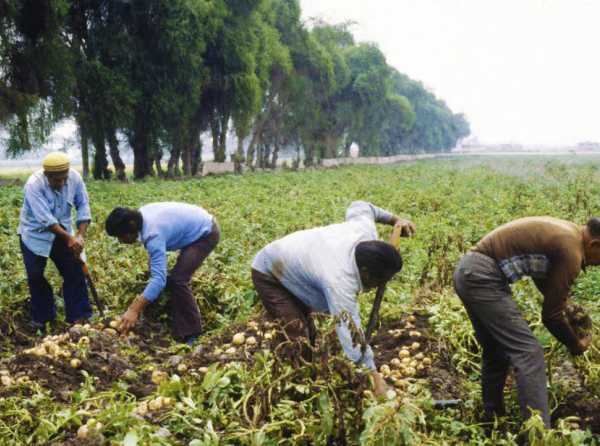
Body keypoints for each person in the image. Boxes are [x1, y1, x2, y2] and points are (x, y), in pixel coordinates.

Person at [251, 201, 415, 397]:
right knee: (298, 334)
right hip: (270, 271)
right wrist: (375, 378)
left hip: (299, 263)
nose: (378, 287)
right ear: (364, 272)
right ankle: (297, 390)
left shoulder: (365, 232)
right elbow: (352, 337)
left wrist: (396, 220)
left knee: (307, 333)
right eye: (378, 281)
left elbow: (362, 207)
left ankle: (303, 368)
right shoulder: (339, 280)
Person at [453, 217, 600, 427]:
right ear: (595, 244)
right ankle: (538, 434)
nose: (598, 265)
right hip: (481, 277)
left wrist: (566, 306)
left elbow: (543, 277)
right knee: (529, 353)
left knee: (496, 351)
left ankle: (492, 418)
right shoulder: (572, 251)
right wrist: (575, 344)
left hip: (469, 271)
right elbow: (551, 316)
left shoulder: (569, 234)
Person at [104, 202, 219, 344]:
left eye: (121, 236)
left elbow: (159, 279)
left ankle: (192, 333)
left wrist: (134, 309)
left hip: (205, 233)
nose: (121, 241)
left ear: (131, 227)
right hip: (196, 225)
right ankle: (174, 324)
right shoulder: (141, 217)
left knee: (178, 280)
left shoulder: (153, 233)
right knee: (165, 277)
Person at [18, 152, 92, 330]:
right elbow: (46, 220)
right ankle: (43, 317)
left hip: (64, 231)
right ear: (47, 176)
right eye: (57, 180)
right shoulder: (34, 185)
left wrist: (80, 236)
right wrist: (69, 238)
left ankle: (78, 316)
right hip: (34, 234)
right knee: (35, 276)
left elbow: (83, 206)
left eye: (64, 179)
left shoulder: (74, 178)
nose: (62, 184)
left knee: (74, 271)